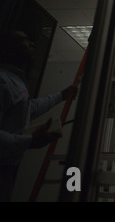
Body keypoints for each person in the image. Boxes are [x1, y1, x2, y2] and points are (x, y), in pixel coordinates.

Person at [0, 30, 77, 201]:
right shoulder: (3, 80)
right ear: (8, 49)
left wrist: (61, 95)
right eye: (25, 41)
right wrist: (31, 141)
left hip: (8, 168)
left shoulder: (16, 80)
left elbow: (29, 108)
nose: (32, 45)